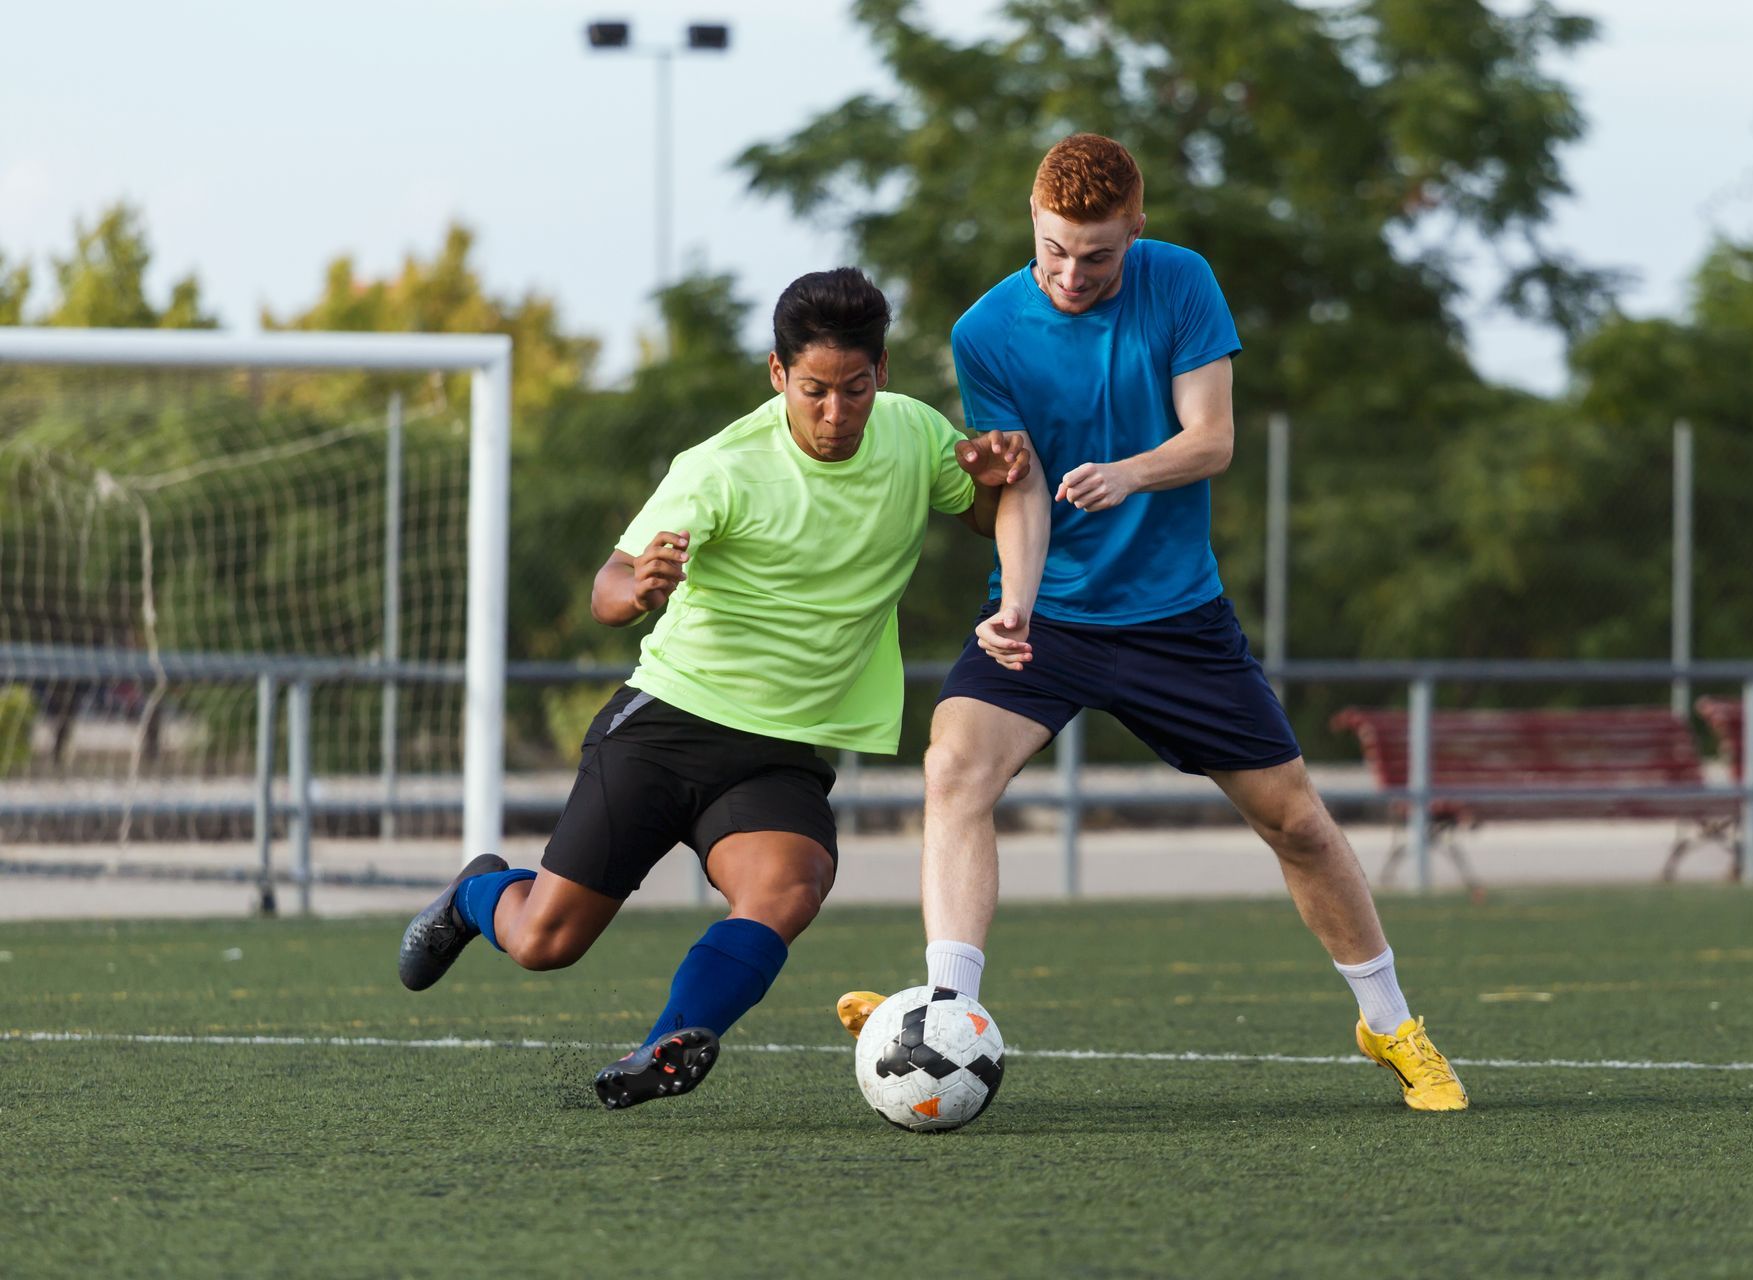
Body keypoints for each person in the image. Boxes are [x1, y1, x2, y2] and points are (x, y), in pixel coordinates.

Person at [836, 135, 1468, 1111]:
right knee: (955, 767)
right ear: (1031, 224)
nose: (1071, 273)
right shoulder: (984, 330)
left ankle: (1391, 1024)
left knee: (1297, 822)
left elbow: (1211, 438)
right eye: (1053, 249)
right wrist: (1012, 602)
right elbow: (1021, 486)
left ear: (1135, 224)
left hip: (1177, 617)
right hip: (1051, 613)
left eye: (1095, 253)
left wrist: (1130, 471)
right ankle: (946, 1012)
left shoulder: (1181, 282)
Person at [397, 267, 1030, 1110]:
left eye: (856, 389)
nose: (836, 413)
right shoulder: (724, 467)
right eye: (814, 391)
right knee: (545, 943)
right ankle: (478, 891)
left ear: (883, 371)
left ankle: (665, 1045)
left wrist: (995, 476)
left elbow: (983, 514)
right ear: (778, 375)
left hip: (777, 753)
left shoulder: (913, 434)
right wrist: (642, 587)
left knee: (790, 885)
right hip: (667, 728)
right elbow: (608, 587)